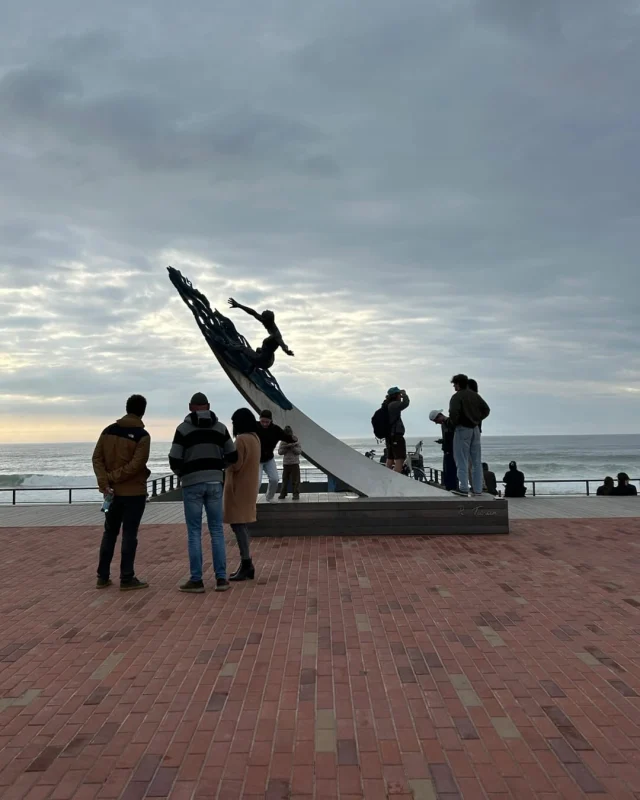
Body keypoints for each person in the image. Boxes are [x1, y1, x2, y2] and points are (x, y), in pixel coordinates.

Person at [169, 392, 237, 593]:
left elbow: (174, 458)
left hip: (192, 484)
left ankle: (196, 580)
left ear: (191, 407)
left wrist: (184, 473)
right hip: (215, 482)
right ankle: (221, 579)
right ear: (208, 406)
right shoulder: (221, 428)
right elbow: (233, 455)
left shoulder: (182, 429)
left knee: (194, 532)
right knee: (216, 530)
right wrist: (218, 468)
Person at [92, 395, 151, 591]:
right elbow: (136, 465)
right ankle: (127, 577)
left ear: (126, 408)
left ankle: (102, 576)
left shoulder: (108, 431)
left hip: (111, 494)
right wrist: (112, 477)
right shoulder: (143, 436)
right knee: (129, 534)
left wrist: (105, 481)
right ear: (143, 411)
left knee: (109, 533)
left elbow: (97, 458)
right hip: (134, 494)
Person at [225, 408, 262, 582]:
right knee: (242, 525)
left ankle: (246, 563)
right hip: (249, 487)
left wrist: (225, 460)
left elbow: (236, 464)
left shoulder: (240, 439)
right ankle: (246, 564)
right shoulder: (255, 438)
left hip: (238, 488)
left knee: (238, 525)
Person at [449, 374, 490, 496]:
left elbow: (453, 414)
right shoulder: (475, 396)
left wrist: (453, 423)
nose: (454, 387)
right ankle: (478, 489)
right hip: (476, 429)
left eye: (454, 384)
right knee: (476, 461)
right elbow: (486, 410)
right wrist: (477, 419)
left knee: (461, 459)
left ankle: (463, 487)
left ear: (458, 384)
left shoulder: (457, 397)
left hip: (463, 429)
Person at [227, 298, 294, 370]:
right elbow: (253, 313)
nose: (262, 322)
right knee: (258, 349)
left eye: (263, 321)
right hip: (267, 358)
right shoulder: (268, 323)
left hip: (263, 361)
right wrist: (238, 305)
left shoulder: (276, 335)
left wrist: (287, 351)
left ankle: (225, 347)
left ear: (268, 321)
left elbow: (283, 344)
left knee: (243, 348)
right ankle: (251, 369)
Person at [256, 409, 293, 501]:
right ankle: (251, 501)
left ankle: (269, 497)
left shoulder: (275, 429)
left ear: (271, 421)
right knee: (257, 482)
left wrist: (293, 439)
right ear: (259, 419)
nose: (264, 424)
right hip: (256, 459)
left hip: (269, 458)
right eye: (262, 421)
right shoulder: (254, 427)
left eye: (267, 422)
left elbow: (285, 437)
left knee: (275, 479)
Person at [429, 410, 457, 491]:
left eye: (436, 420)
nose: (436, 423)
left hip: (452, 450)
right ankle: (449, 487)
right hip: (447, 450)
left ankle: (453, 488)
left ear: (440, 416)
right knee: (447, 471)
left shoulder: (450, 423)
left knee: (452, 470)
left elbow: (453, 437)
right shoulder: (443, 425)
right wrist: (442, 441)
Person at [384, 387, 410, 473]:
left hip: (390, 436)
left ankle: (387, 476)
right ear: (396, 395)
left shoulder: (387, 405)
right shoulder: (394, 405)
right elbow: (405, 404)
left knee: (390, 458)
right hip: (396, 436)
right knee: (400, 458)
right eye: (399, 394)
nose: (400, 396)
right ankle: (396, 478)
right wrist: (405, 395)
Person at [279, 426, 302, 500]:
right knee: (285, 480)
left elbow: (299, 452)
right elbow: (280, 452)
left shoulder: (296, 440)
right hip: (286, 464)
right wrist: (286, 447)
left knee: (295, 481)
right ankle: (283, 494)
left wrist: (292, 447)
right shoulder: (283, 442)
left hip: (295, 463)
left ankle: (296, 494)